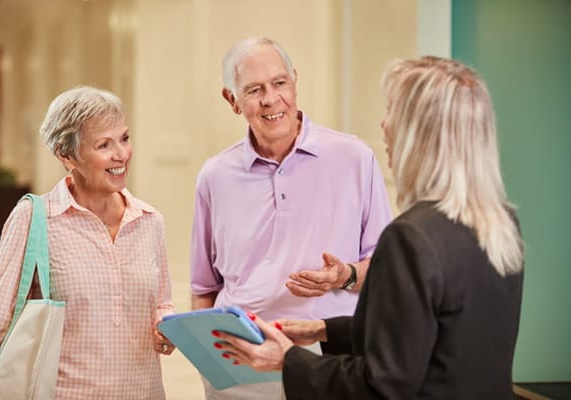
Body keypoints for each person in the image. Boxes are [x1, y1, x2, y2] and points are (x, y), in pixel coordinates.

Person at [212, 56, 525, 399]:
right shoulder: (501, 224)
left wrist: (287, 361)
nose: (384, 124)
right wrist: (325, 330)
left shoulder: (410, 238)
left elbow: (381, 386)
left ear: (419, 133)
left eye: (392, 112)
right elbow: (428, 334)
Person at [190, 37, 392, 399]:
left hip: (329, 358)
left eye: (279, 83)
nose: (270, 99)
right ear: (231, 99)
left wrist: (344, 275)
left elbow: (385, 270)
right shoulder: (214, 176)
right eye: (254, 89)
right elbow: (204, 287)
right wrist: (210, 361)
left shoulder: (355, 158)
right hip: (241, 360)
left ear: (295, 81)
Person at [0, 86, 175, 399]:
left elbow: (162, 303)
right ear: (67, 156)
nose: (121, 154)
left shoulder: (150, 221)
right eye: (104, 145)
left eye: (124, 138)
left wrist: (166, 325)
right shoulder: (34, 218)